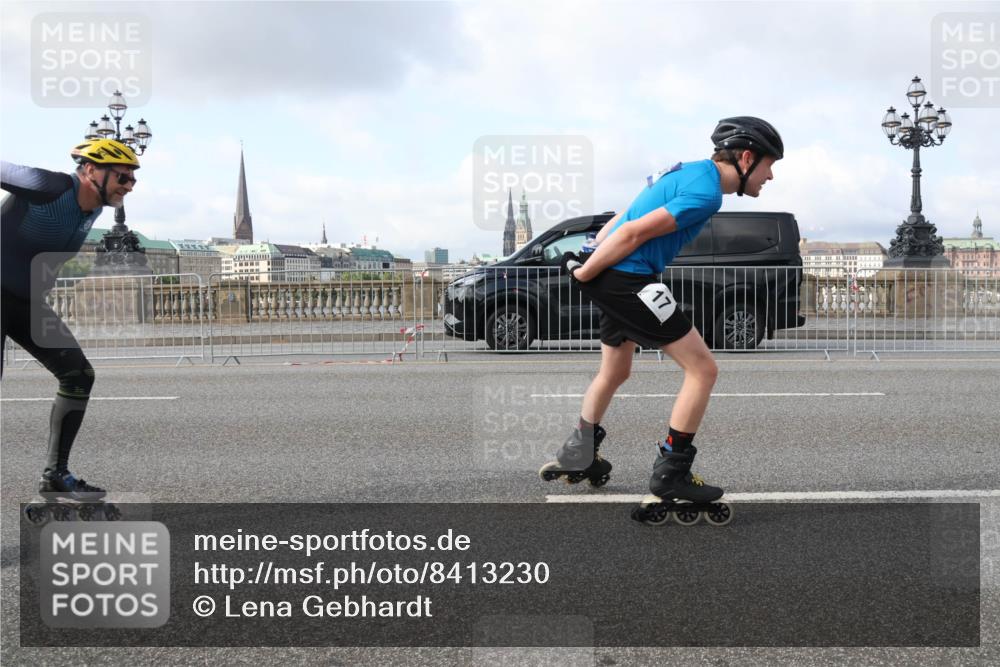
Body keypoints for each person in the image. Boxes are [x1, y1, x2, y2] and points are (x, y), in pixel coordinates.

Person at [539, 117, 783, 509]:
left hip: (617, 275)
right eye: (771, 165)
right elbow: (635, 232)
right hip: (630, 280)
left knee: (615, 371)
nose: (770, 176)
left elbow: (626, 215)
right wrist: (585, 270)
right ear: (747, 157)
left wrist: (590, 252)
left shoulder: (685, 171)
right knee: (703, 369)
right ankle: (671, 474)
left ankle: (578, 453)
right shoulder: (707, 194)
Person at [1, 138, 140, 500]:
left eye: (132, 180)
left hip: (25, 301)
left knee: (78, 374)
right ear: (91, 170)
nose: (128, 187)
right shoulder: (50, 187)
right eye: (122, 178)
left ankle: (55, 475)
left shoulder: (93, 209)